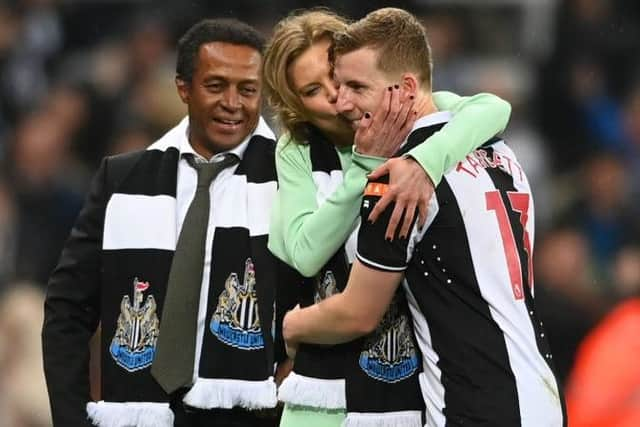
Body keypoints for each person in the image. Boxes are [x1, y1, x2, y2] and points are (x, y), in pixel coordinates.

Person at [282, 8, 565, 427]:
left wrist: (293, 324)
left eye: (357, 87)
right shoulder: (501, 153)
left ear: (406, 89)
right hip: (542, 395)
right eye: (339, 87)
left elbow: (358, 312)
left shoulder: (397, 182)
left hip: (473, 405)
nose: (343, 103)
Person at [42, 19, 295, 427]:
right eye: (216, 86)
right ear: (183, 88)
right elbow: (68, 309)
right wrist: (72, 418)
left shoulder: (291, 179)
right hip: (136, 413)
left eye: (247, 89)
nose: (233, 102)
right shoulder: (122, 178)